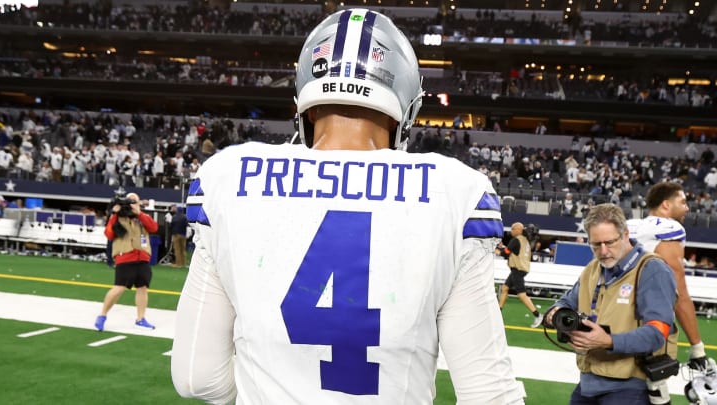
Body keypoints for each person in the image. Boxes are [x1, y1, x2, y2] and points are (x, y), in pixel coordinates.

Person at [171, 9, 524, 405]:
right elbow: (489, 394)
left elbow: (196, 378)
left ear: (304, 97)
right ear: (407, 104)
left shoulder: (229, 176)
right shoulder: (456, 191)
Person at [543, 204, 677, 405]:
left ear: (625, 234)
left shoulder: (651, 269)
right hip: (588, 382)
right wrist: (556, 314)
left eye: (609, 242)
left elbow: (657, 334)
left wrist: (608, 341)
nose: (603, 251)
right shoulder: (593, 268)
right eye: (596, 245)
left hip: (630, 386)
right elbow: (565, 302)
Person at [626, 182, 709, 371]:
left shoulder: (629, 226)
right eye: (683, 202)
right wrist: (697, 347)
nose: (687, 208)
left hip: (615, 318)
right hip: (649, 323)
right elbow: (678, 291)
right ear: (666, 205)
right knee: (651, 391)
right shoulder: (669, 228)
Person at [95, 192, 159, 331]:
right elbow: (109, 234)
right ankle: (102, 315)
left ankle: (140, 318)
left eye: (134, 201)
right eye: (129, 202)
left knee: (142, 288)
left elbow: (154, 228)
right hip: (125, 256)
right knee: (119, 287)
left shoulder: (143, 217)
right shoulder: (117, 218)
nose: (131, 204)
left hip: (142, 257)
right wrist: (114, 214)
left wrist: (139, 213)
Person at [495, 222, 543, 328]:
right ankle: (498, 314)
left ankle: (538, 315)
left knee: (521, 294)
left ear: (518, 230)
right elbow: (512, 251)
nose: (511, 231)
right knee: (504, 288)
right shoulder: (524, 240)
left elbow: (505, 253)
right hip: (521, 268)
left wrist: (496, 250)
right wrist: (502, 248)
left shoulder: (516, 240)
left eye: (512, 229)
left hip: (518, 269)